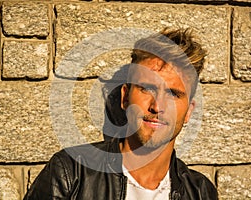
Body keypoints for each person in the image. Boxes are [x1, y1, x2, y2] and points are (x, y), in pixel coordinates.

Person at [24, 28, 218, 200]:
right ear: (125, 97)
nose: (157, 106)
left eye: (173, 93)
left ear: (188, 112)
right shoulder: (70, 172)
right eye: (147, 89)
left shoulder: (201, 192)